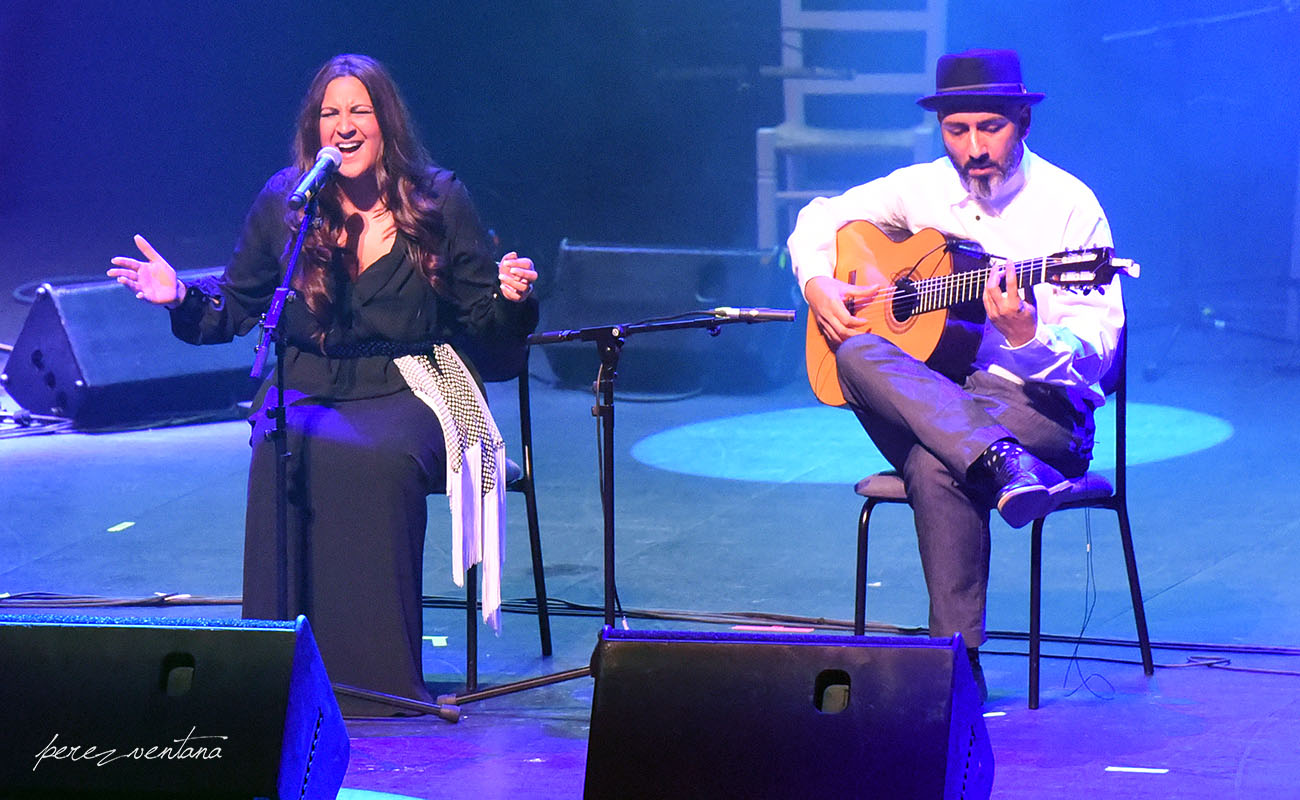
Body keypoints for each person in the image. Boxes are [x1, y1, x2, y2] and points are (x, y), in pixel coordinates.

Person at [108, 54, 539, 717]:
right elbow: (237, 305)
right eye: (330, 113)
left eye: (359, 111)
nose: (344, 126)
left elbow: (487, 321)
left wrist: (513, 299)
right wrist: (178, 297)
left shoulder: (439, 199)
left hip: (415, 381)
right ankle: (278, 677)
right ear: (314, 130)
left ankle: (382, 685)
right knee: (282, 448)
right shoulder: (290, 201)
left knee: (379, 459)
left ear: (385, 122)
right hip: (307, 379)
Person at [788, 49, 1123, 703]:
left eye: (989, 128)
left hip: (1039, 412)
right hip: (951, 401)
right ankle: (996, 465)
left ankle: (956, 663)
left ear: (1022, 122)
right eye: (957, 130)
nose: (973, 148)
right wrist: (816, 279)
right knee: (854, 355)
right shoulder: (920, 190)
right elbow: (819, 216)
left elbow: (1102, 355)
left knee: (936, 460)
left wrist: (1029, 336)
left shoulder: (1069, 207)